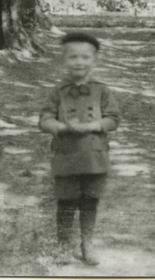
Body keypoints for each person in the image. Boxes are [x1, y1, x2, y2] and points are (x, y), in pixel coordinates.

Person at [39, 32, 120, 266]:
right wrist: (61, 127)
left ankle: (87, 244)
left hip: (95, 159)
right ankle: (64, 246)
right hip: (66, 158)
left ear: (94, 61)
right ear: (63, 60)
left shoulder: (101, 90)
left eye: (85, 57)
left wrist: (95, 125)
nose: (79, 62)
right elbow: (44, 119)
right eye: (72, 57)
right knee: (65, 202)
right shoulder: (57, 92)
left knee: (90, 201)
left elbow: (113, 118)